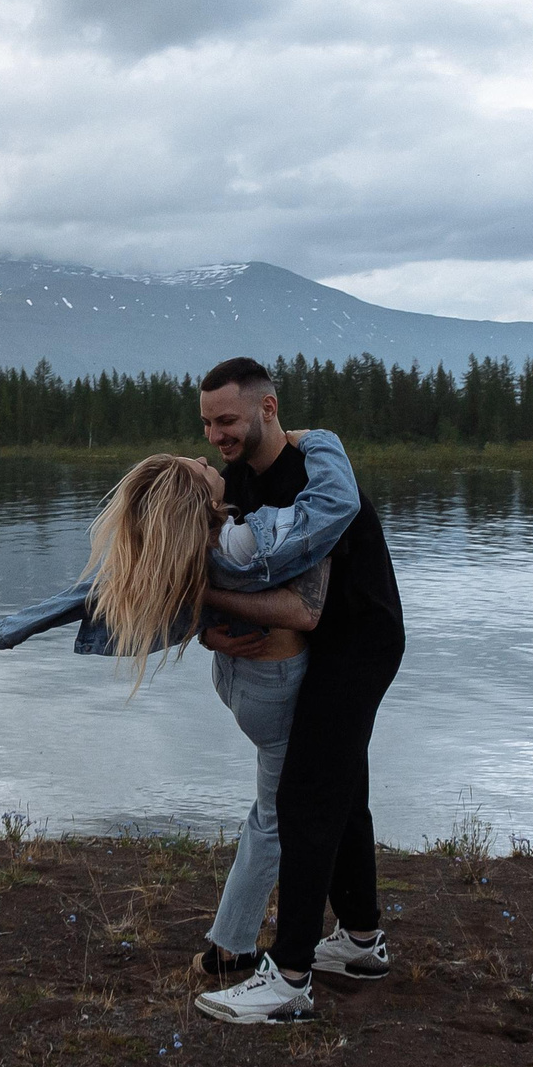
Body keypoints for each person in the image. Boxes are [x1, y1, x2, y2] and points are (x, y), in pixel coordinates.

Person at [0, 442, 355, 977]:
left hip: (236, 682)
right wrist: (321, 442)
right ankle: (235, 948)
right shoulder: (245, 541)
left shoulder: (189, 549)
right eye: (199, 467)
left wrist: (15, 628)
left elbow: (94, 592)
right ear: (197, 497)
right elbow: (333, 506)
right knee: (278, 816)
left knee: (279, 808)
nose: (207, 459)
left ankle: (246, 940)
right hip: (275, 689)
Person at [191, 356, 404, 1027]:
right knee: (344, 794)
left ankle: (287, 978)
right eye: (206, 423)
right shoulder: (235, 481)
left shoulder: (311, 475)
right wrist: (212, 626)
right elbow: (231, 574)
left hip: (357, 641)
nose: (216, 434)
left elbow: (304, 607)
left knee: (305, 797)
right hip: (322, 646)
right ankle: (362, 941)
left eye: (227, 419)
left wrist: (210, 599)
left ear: (268, 408)